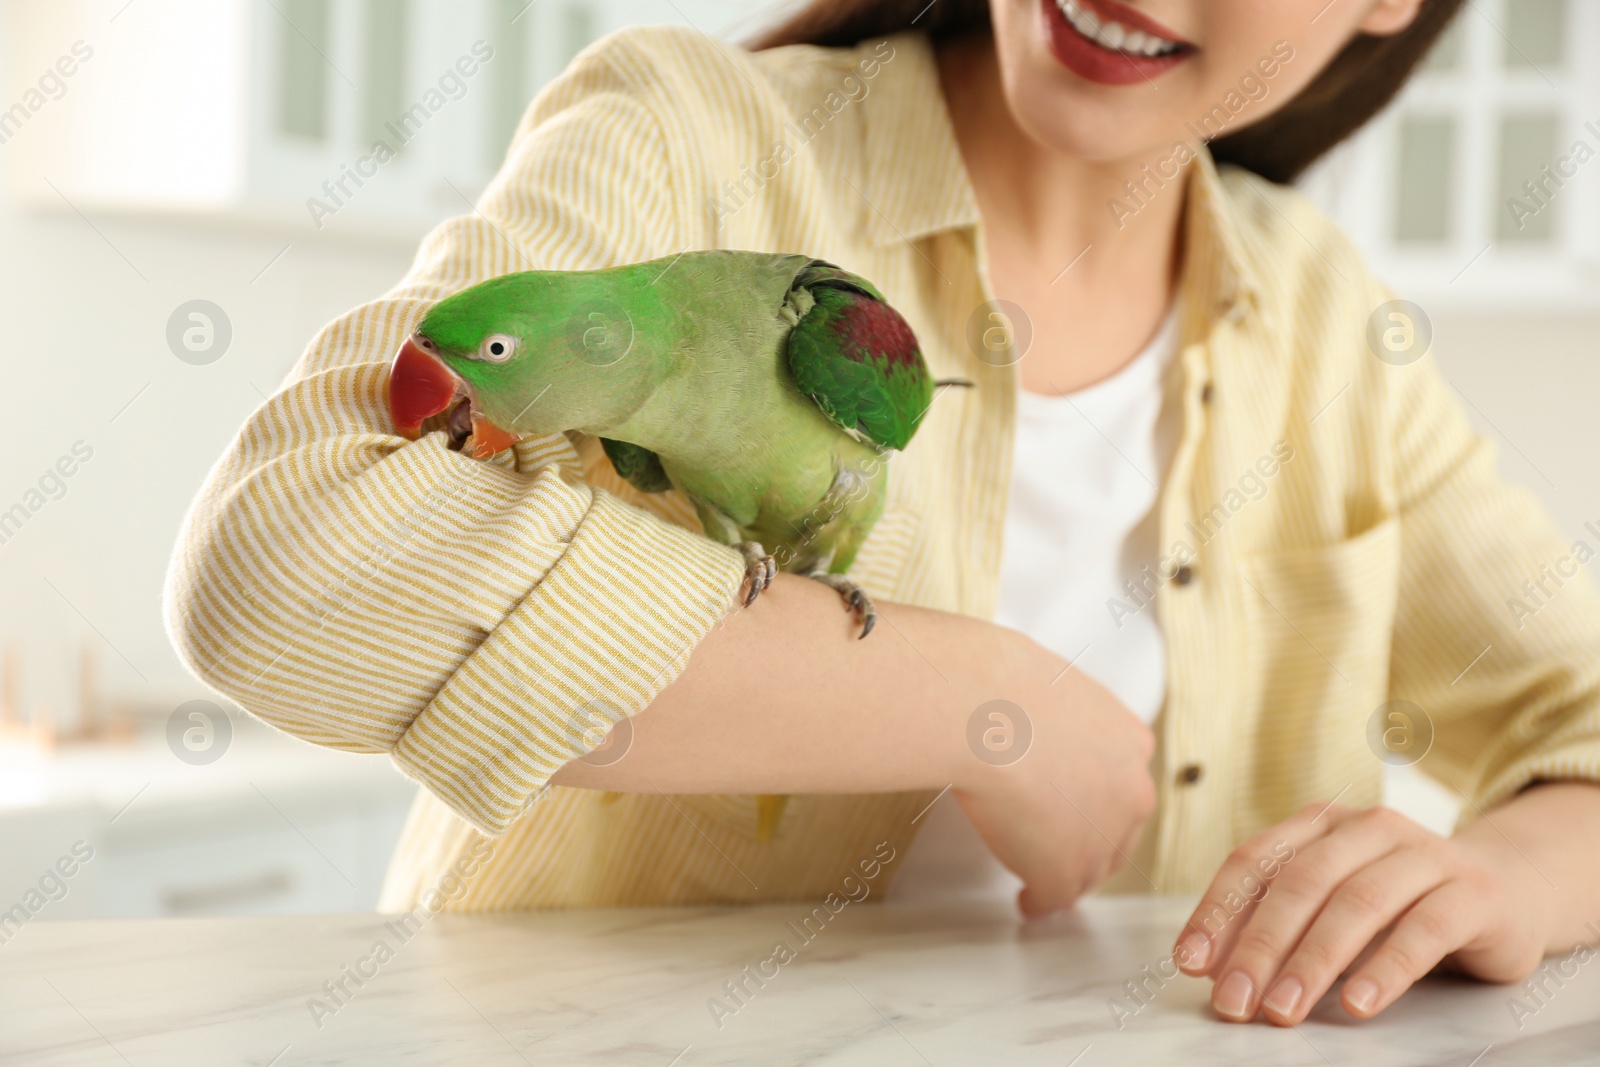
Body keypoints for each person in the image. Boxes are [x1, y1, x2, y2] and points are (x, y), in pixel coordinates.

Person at [165, 0, 1600, 1028]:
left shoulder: (1333, 324)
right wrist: (989, 703)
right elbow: (287, 570)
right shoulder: (686, 138)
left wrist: (1499, 885)